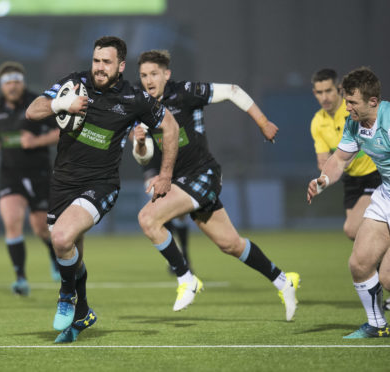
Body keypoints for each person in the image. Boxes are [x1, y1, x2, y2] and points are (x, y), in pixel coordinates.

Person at [25, 36, 180, 343]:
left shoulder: (134, 98)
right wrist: (62, 103)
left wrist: (165, 175)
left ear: (120, 66)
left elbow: (171, 126)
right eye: (96, 60)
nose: (99, 67)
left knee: (61, 237)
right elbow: (33, 111)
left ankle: (66, 296)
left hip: (101, 184)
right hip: (63, 182)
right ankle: (83, 311)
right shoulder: (75, 83)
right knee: (68, 252)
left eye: (106, 62)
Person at [133, 49, 300, 320]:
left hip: (202, 175)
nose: (149, 80)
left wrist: (262, 121)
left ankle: (186, 278)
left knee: (147, 219)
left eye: (154, 74)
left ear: (166, 74)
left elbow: (233, 91)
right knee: (230, 244)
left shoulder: (185, 92)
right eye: (143, 75)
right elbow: (144, 157)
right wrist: (140, 142)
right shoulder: (143, 108)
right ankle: (283, 281)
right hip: (181, 182)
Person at [307, 67, 390, 338]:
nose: (347, 107)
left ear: (373, 102)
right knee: (359, 263)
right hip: (385, 195)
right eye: (347, 100)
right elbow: (339, 160)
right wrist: (323, 181)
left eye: (352, 102)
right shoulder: (354, 123)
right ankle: (377, 324)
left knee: (388, 276)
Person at [0, 61, 61, 296]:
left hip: (39, 174)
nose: (12, 86)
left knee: (41, 229)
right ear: (2, 86)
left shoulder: (38, 104)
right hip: (10, 175)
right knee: (12, 221)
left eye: (16, 81)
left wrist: (36, 141)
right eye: (8, 82)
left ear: (22, 82)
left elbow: (62, 131)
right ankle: (21, 278)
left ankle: (53, 255)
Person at [310, 69, 381, 240]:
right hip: (351, 180)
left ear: (339, 89)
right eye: (319, 92)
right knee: (356, 235)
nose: (324, 97)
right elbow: (323, 160)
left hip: (375, 174)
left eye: (328, 90)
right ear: (314, 93)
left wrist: (340, 161)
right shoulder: (317, 122)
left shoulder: (353, 109)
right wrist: (324, 175)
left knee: (352, 229)